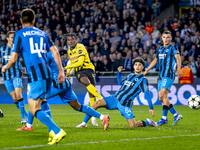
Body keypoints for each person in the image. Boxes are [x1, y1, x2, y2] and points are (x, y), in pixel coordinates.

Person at [1, 9, 66, 145]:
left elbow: (13, 59)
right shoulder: (43, 33)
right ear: (33, 20)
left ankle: (57, 130)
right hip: (47, 73)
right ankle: (52, 132)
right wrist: (61, 71)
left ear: (21, 21)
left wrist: (5, 67)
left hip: (36, 74)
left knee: (33, 108)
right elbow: (55, 52)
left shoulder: (19, 34)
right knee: (40, 103)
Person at [16, 52, 110, 134]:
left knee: (35, 100)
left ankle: (31, 126)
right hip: (65, 82)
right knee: (77, 106)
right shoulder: (50, 53)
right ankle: (102, 117)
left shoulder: (44, 55)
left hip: (56, 83)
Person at [76, 58, 157, 128]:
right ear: (134, 66)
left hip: (125, 104)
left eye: (140, 65)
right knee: (96, 104)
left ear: (143, 67)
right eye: (136, 64)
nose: (137, 66)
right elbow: (120, 82)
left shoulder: (143, 79)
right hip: (114, 98)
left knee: (133, 125)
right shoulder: (130, 75)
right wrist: (119, 73)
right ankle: (84, 123)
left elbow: (146, 93)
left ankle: (148, 122)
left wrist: (151, 107)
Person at [143, 30, 183, 126]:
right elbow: (155, 60)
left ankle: (164, 118)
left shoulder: (173, 48)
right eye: (164, 37)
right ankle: (175, 114)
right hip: (161, 76)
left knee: (162, 95)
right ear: (162, 38)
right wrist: (147, 69)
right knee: (161, 98)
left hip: (168, 75)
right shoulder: (160, 49)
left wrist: (179, 68)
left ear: (170, 38)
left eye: (168, 37)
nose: (166, 39)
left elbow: (178, 58)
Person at [64, 33, 103, 126]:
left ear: (76, 40)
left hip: (88, 69)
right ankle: (100, 97)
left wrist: (66, 67)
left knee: (91, 95)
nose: (70, 41)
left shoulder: (80, 47)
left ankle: (92, 119)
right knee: (85, 82)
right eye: (69, 40)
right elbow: (73, 61)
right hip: (79, 71)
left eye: (72, 39)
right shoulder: (69, 51)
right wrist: (69, 71)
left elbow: (80, 62)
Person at [0, 31, 28, 124]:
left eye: (14, 38)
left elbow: (24, 59)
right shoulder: (2, 49)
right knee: (15, 99)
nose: (13, 39)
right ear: (7, 38)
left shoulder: (17, 49)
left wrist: (23, 69)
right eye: (12, 37)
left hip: (16, 75)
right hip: (6, 76)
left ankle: (23, 118)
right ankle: (25, 114)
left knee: (19, 95)